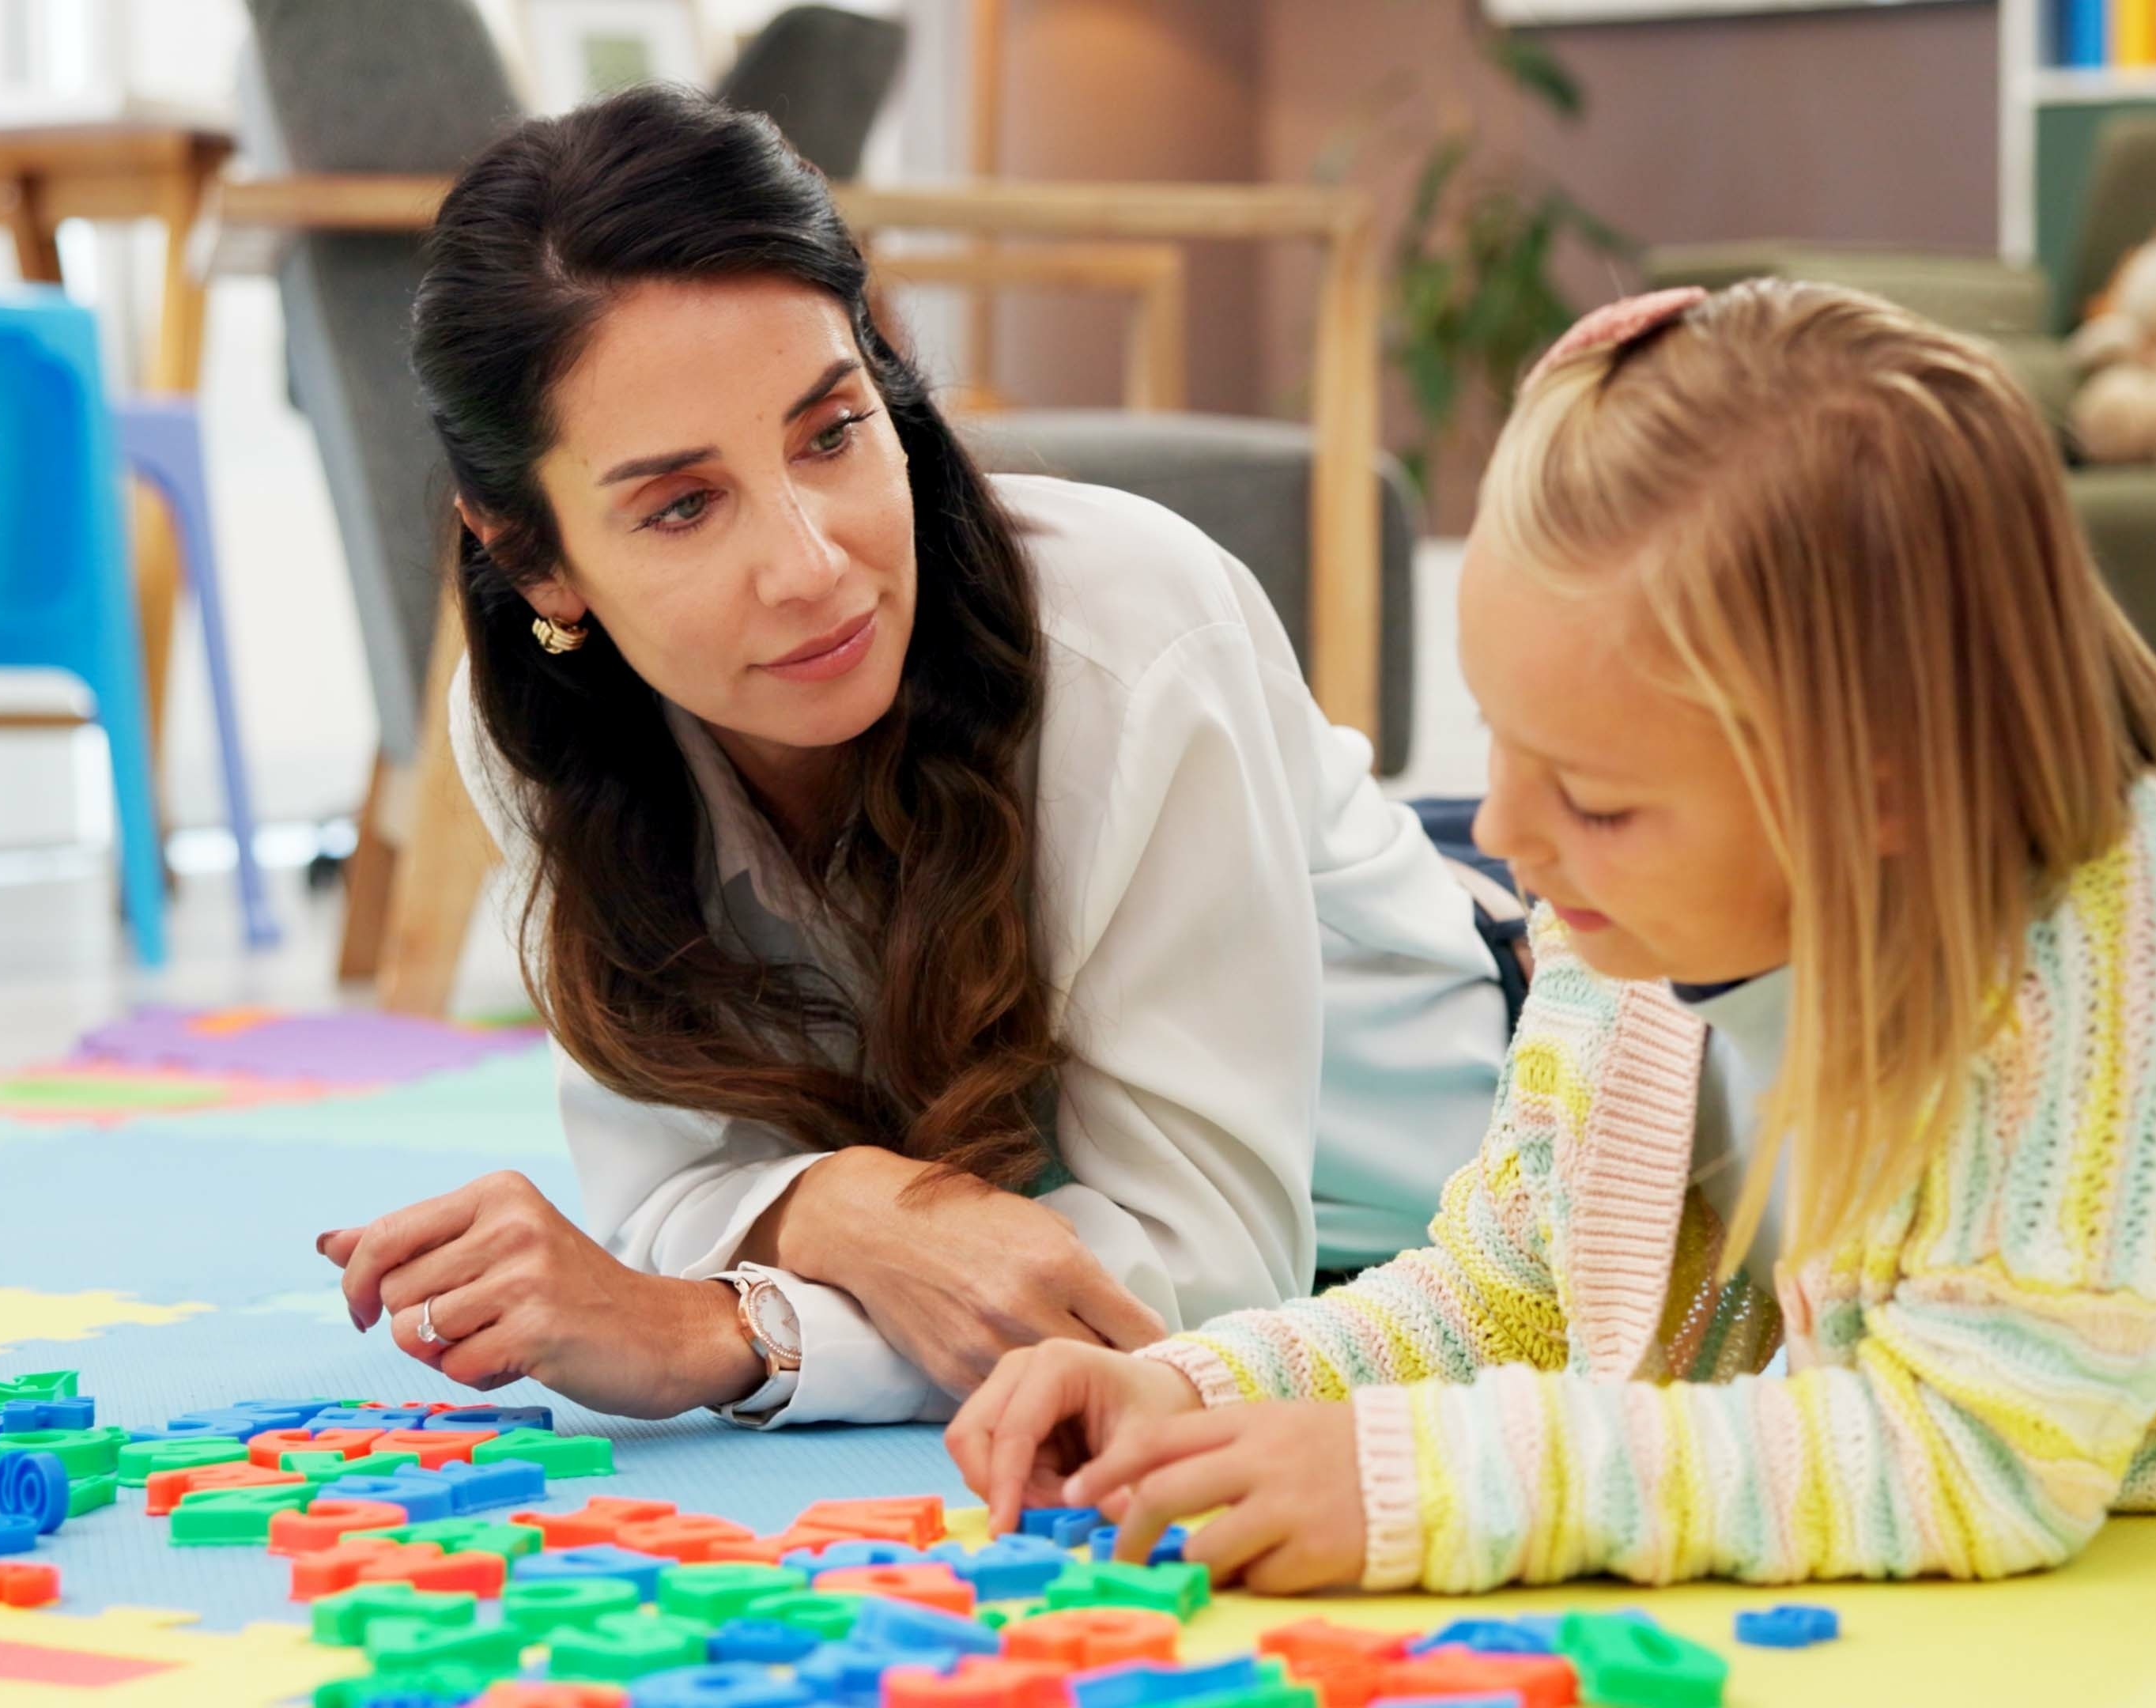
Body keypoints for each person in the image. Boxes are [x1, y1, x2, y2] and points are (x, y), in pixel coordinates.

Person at [947, 281, 2156, 1595]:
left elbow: (1984, 1460)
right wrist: (1207, 1390)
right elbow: (1508, 1294)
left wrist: (1420, 1487)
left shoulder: (2099, 942)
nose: (1505, 842)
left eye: (1590, 796)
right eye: (1501, 756)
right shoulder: (1630, 912)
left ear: (1872, 792)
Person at [312, 85, 1517, 1426]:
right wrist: (843, 1204)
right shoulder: (549, 728)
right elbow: (669, 1191)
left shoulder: (1137, 637)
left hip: (1504, 1116)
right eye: (684, 505)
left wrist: (735, 1329)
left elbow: (1205, 1292)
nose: (812, 567)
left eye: (831, 433)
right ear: (535, 558)